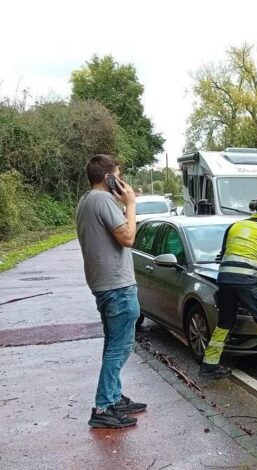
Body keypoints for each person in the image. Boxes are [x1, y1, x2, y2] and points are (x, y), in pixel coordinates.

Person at [76, 154, 146, 429]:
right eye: (118, 175)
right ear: (109, 178)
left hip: (104, 284)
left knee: (113, 345)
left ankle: (114, 398)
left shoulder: (87, 201)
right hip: (117, 286)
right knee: (119, 347)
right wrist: (130, 204)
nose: (122, 180)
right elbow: (128, 238)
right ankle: (104, 406)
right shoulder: (103, 200)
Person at [199, 194, 257, 385]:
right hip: (247, 283)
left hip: (224, 281)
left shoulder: (235, 226)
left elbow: (222, 255)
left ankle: (209, 366)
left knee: (224, 323)